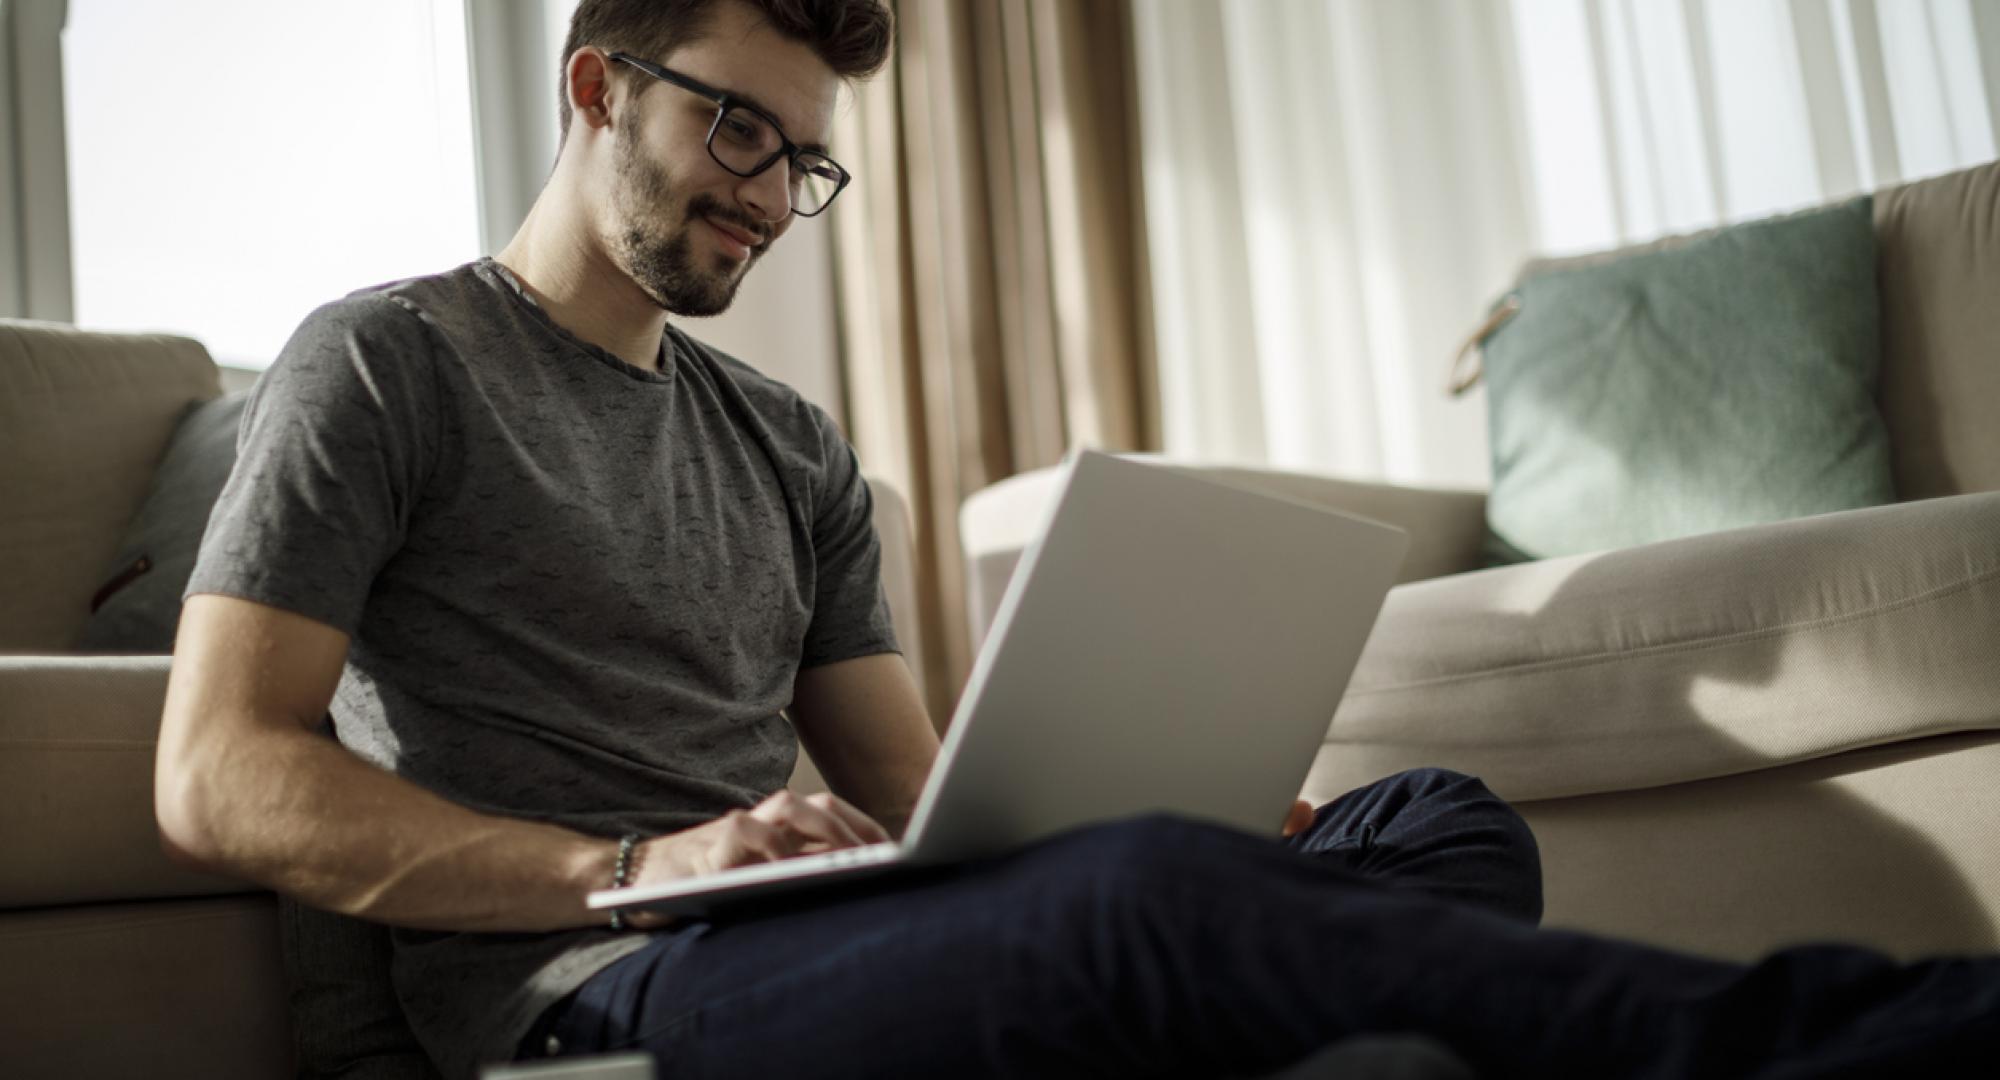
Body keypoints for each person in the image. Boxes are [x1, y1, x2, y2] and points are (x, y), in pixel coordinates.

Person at [153, 1, 1998, 1078]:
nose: (773, 195)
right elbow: (217, 776)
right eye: (735, 130)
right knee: (1158, 914)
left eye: (804, 158)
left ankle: (1199, 961)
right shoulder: (386, 366)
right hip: (601, 988)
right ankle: (1882, 1036)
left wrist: (1160, 788)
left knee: (1432, 819)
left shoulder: (784, 441)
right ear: (592, 85)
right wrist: (632, 866)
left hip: (811, 927)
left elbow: (922, 785)